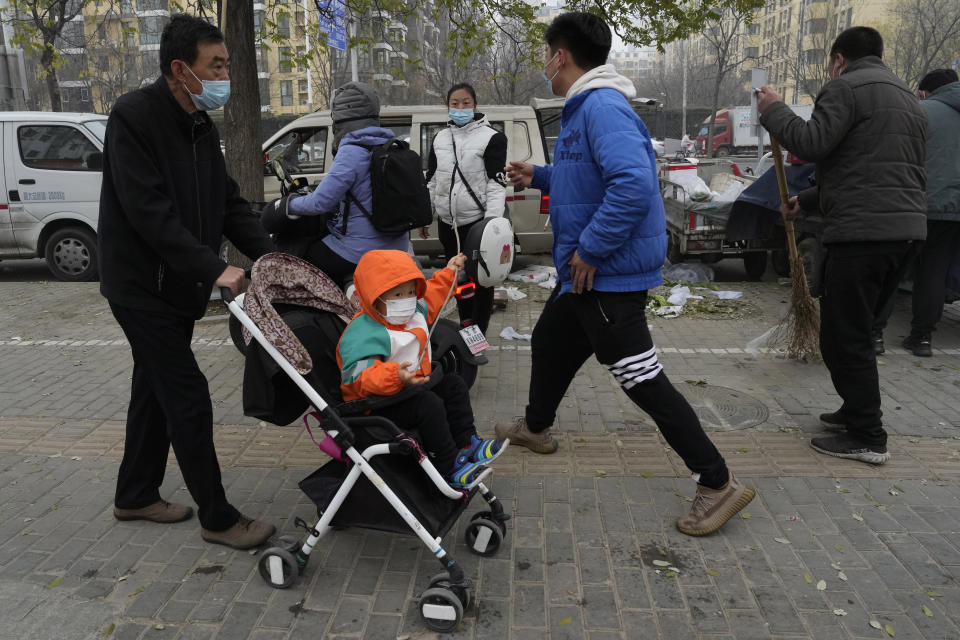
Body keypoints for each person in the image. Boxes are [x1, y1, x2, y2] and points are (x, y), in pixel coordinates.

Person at [499, 12, 754, 537]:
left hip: (603, 275)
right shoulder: (586, 109)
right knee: (549, 341)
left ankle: (717, 482)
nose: (545, 63)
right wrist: (539, 175)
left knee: (641, 379)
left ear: (560, 56)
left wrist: (591, 249)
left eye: (547, 54)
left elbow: (634, 186)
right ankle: (537, 427)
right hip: (581, 275)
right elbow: (589, 175)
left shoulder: (603, 108)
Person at [98, 15, 276, 549]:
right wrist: (216, 269)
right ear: (181, 70)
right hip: (140, 288)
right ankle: (218, 518)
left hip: (178, 288)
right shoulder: (133, 118)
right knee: (188, 397)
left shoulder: (200, 125)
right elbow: (149, 212)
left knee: (153, 389)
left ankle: (134, 494)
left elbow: (228, 205)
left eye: (226, 63)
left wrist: (274, 258)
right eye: (216, 65)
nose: (227, 74)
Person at [757, 26, 927, 465]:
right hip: (904, 232)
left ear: (838, 59)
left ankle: (868, 435)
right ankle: (855, 411)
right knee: (858, 331)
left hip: (863, 236)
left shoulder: (845, 88)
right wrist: (808, 200)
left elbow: (812, 142)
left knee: (843, 337)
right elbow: (871, 168)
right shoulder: (906, 96)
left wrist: (775, 111)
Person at [338, 250, 507, 487]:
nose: (407, 299)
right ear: (373, 296)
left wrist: (451, 271)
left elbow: (435, 293)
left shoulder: (413, 313)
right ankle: (449, 466)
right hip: (379, 404)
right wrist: (395, 376)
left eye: (410, 292)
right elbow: (359, 378)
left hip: (413, 390)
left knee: (454, 385)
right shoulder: (363, 333)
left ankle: (468, 443)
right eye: (397, 294)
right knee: (430, 405)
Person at [270, 82, 408, 288]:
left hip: (359, 251)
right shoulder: (390, 147)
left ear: (339, 120)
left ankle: (329, 316)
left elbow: (320, 203)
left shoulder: (352, 151)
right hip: (399, 247)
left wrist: (286, 205)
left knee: (298, 259)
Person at [874, 69, 960, 357]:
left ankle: (875, 336)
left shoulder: (921, 111)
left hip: (914, 204)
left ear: (926, 92)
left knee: (892, 270)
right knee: (934, 273)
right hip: (953, 211)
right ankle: (922, 338)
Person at [422, 83, 508, 336]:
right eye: (455, 104)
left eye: (466, 103)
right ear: (447, 106)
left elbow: (496, 184)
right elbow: (433, 179)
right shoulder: (440, 138)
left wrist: (491, 225)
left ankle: (478, 333)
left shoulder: (492, 137)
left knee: (481, 280)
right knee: (458, 278)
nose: (460, 108)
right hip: (448, 224)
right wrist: (426, 216)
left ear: (475, 105)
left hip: (477, 223)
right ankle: (465, 324)